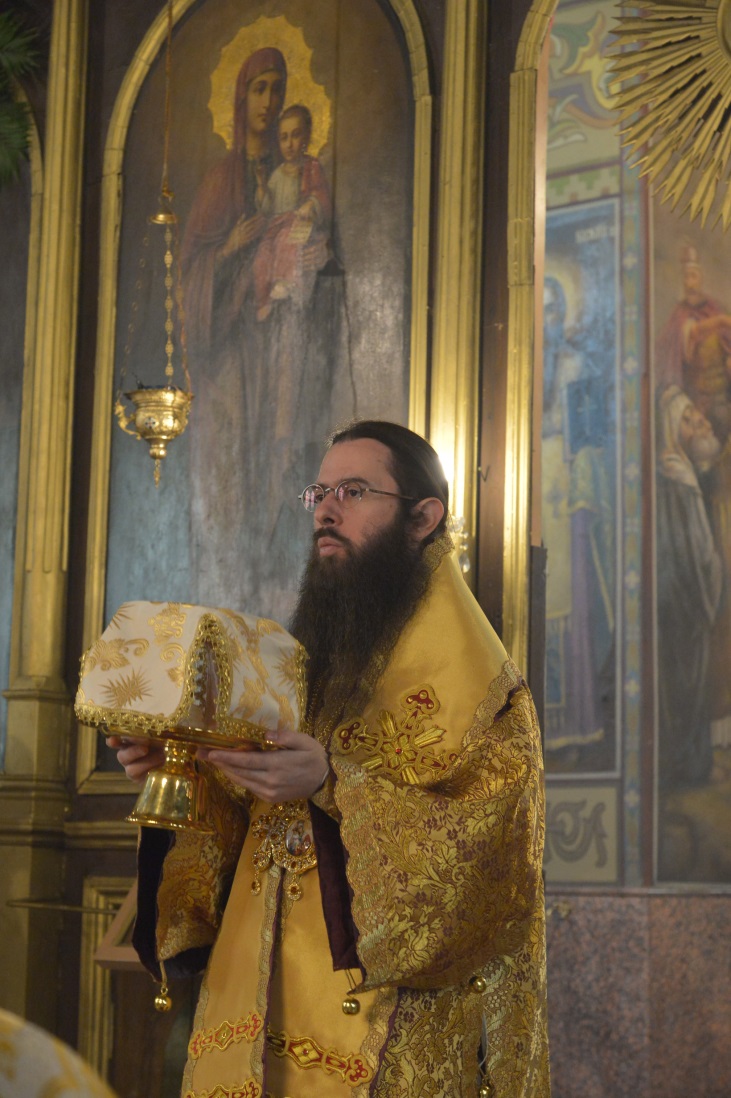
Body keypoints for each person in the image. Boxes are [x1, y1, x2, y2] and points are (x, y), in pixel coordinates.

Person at [109, 421, 550, 1097]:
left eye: (353, 490)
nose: (325, 509)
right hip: (256, 992)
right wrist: (184, 768)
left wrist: (333, 780)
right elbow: (253, 808)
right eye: (318, 492)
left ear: (422, 518)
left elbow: (485, 868)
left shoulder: (482, 692)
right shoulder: (309, 656)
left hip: (381, 1020)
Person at [656, 386, 722, 791]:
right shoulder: (675, 474)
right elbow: (693, 546)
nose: (690, 427)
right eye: (683, 420)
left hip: (684, 592)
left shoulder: (680, 468)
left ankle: (693, 765)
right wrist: (712, 574)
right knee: (687, 683)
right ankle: (689, 768)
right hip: (686, 595)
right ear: (668, 425)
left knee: (693, 683)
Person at [253, 104, 332, 321]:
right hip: (276, 227)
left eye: (295, 136)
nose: (289, 144)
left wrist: (312, 204)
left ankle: (286, 282)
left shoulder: (312, 167)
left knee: (287, 240)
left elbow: (322, 195)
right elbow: (267, 208)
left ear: (306, 137)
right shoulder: (277, 174)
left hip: (300, 225)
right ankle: (263, 301)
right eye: (283, 138)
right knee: (262, 255)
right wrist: (261, 186)